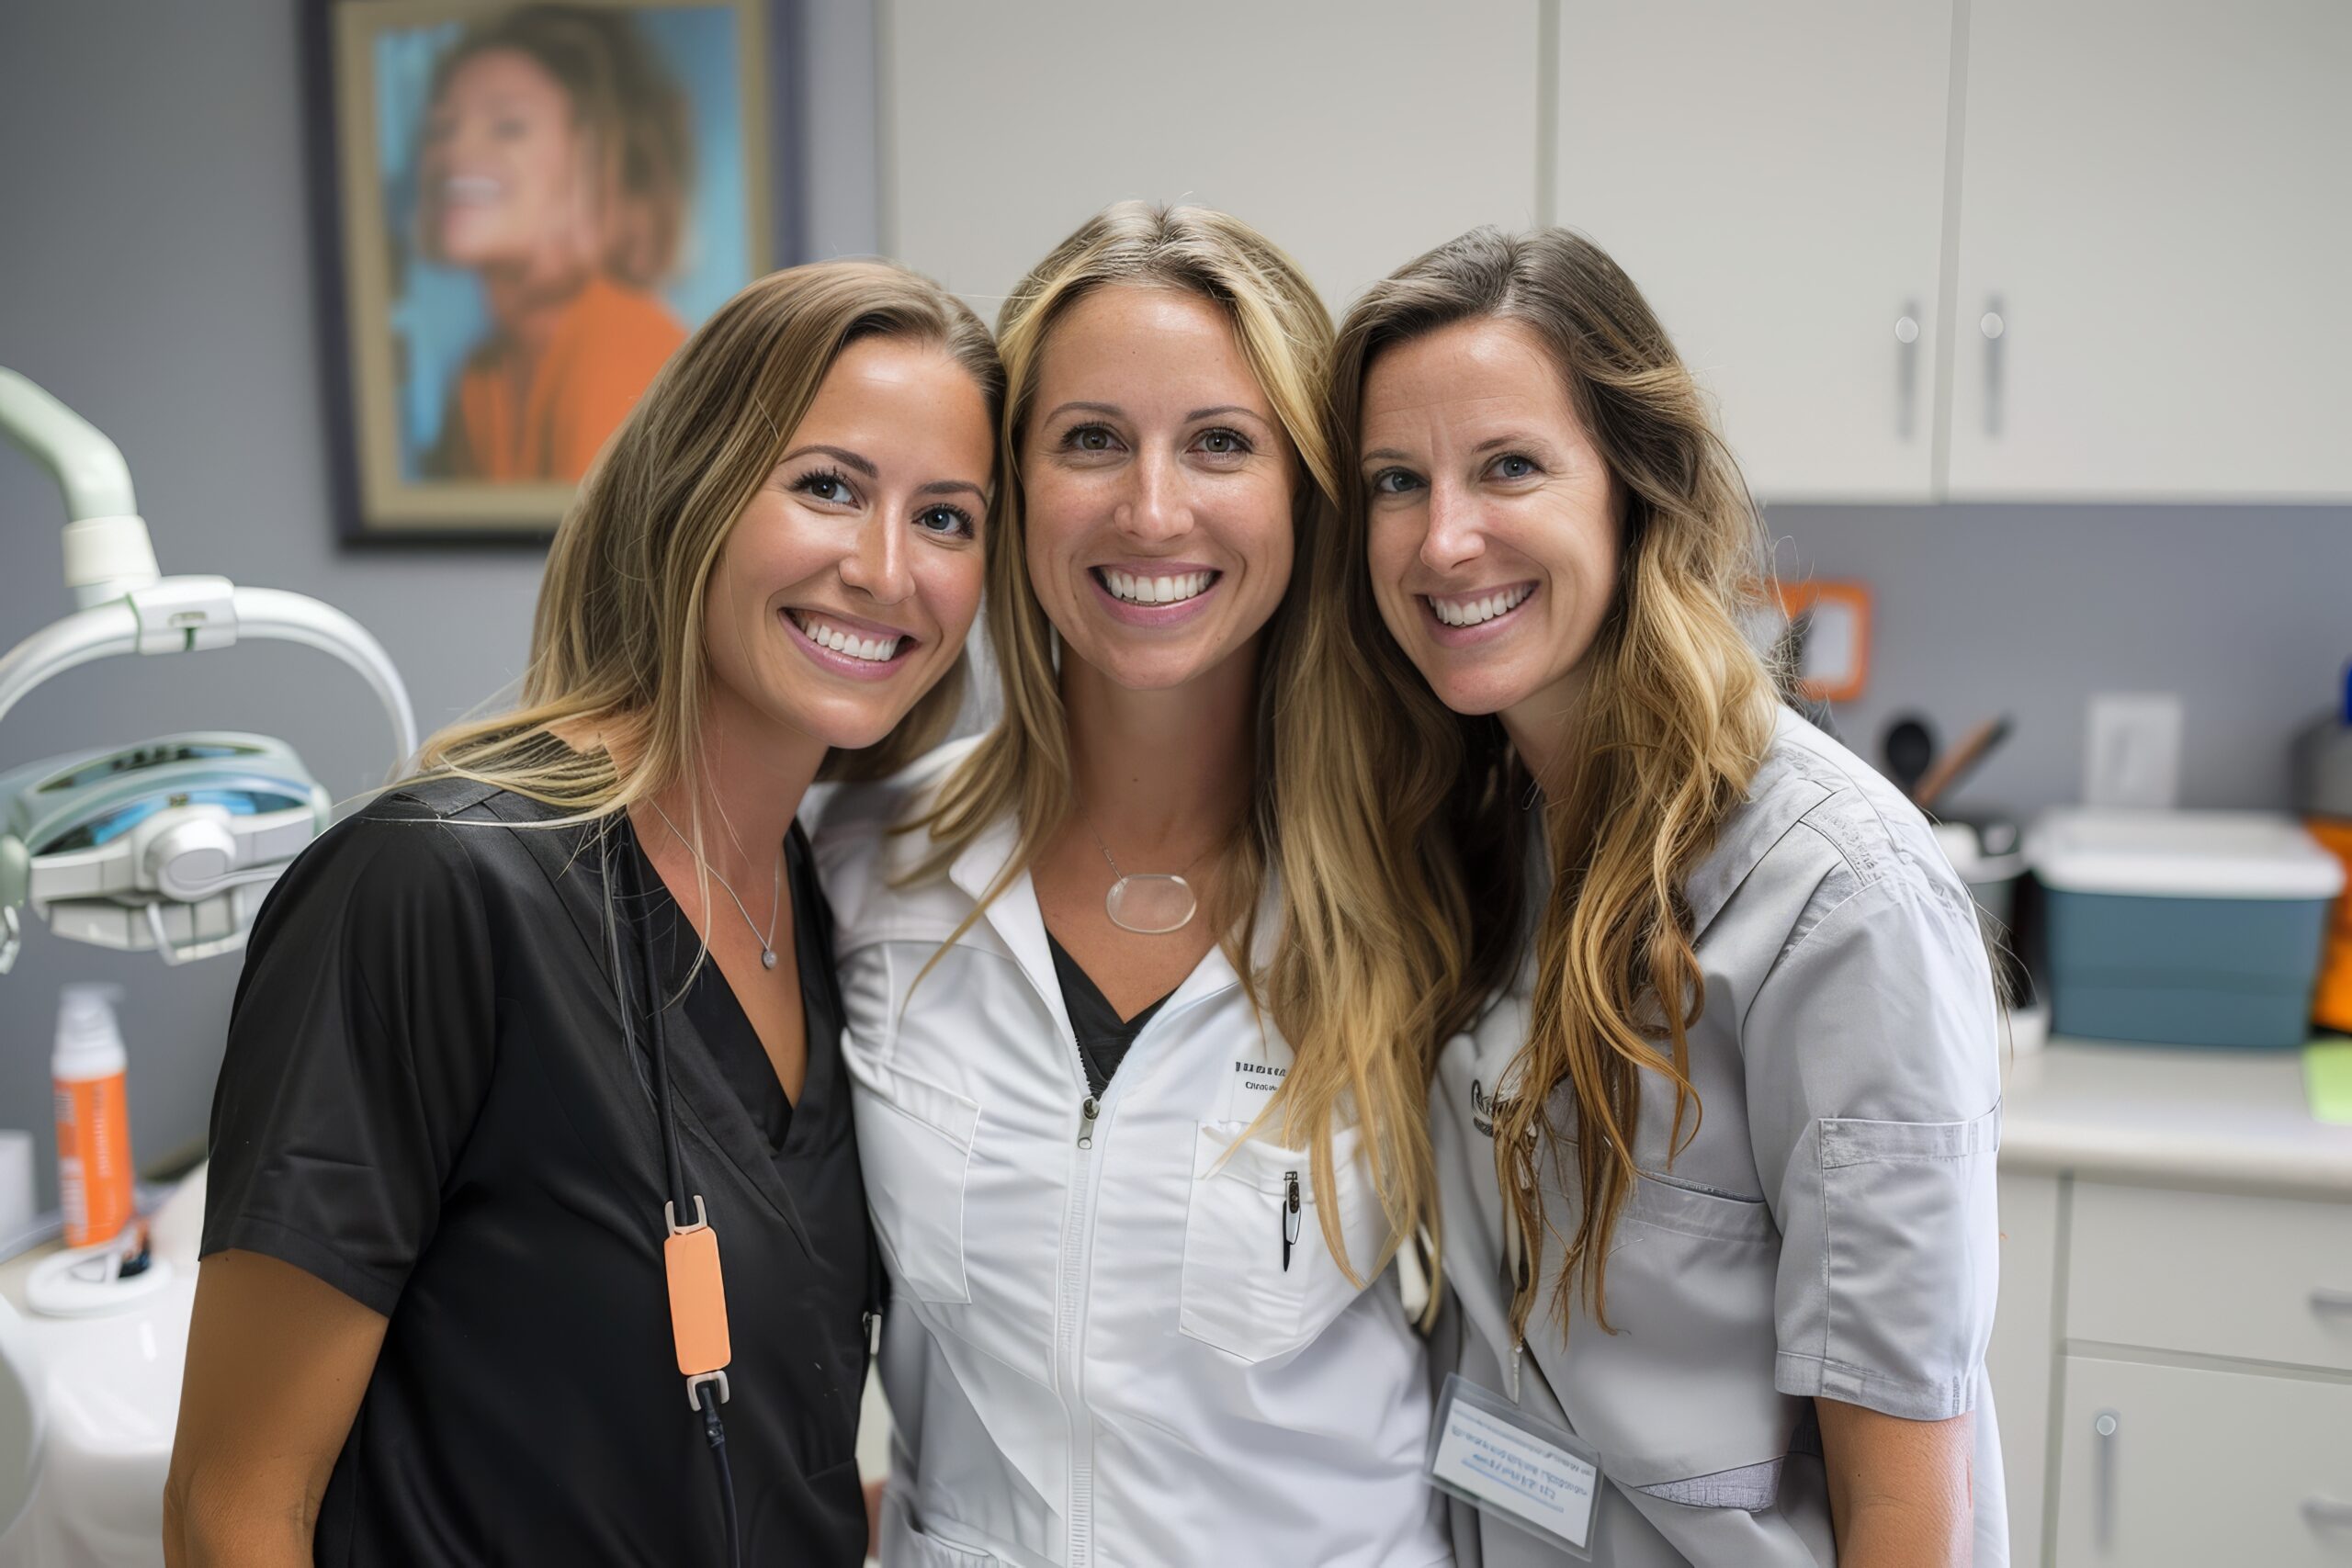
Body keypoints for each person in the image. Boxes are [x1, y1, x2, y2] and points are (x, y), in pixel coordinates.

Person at [164, 259, 1001, 1567]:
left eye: (947, 517)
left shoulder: (833, 901)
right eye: (828, 484)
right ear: (694, 489)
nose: (886, 568)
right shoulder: (432, 883)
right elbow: (233, 1508)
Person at [1330, 227, 2007, 1566]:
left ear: (1635, 485)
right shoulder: (1480, 823)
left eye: (1509, 465)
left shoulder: (1833, 892)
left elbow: (1907, 1504)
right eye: (1396, 481)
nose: (1442, 537)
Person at [810, 202, 1453, 1567]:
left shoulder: (1432, 887)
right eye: (1090, 438)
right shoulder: (866, 856)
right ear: (1015, 484)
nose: (1151, 508)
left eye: (1220, 442)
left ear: (1304, 495)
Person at [413, 5, 692, 482]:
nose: (454, 152)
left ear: (598, 157)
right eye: (442, 127)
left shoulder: (626, 349)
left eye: (509, 127)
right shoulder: (481, 378)